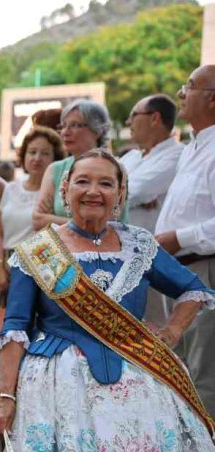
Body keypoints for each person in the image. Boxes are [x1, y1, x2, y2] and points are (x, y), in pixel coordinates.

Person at [0, 149, 215, 452]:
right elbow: (15, 328)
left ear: (120, 194)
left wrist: (171, 331)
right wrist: (6, 396)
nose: (93, 191)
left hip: (137, 379)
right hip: (52, 387)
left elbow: (193, 289)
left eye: (106, 183)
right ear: (65, 191)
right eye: (83, 181)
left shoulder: (139, 245)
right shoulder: (38, 251)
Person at [155, 64, 215, 416]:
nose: (180, 93)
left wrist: (179, 238)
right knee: (179, 371)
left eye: (189, 86)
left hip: (204, 272)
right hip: (179, 273)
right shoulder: (194, 147)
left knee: (204, 375)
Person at [0, 127, 65, 297]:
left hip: (43, 271)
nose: (37, 158)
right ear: (23, 155)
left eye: (45, 153)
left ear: (55, 159)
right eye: (32, 152)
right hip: (9, 269)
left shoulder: (59, 194)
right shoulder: (11, 189)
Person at [32, 99, 125, 230]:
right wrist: (83, 224)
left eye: (75, 125)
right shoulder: (56, 169)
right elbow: (38, 220)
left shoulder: (116, 169)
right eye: (63, 126)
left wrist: (52, 219)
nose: (65, 132)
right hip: (61, 244)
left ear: (97, 130)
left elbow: (102, 226)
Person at [121, 94, 183, 233]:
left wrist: (125, 195)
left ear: (155, 118)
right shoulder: (131, 156)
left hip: (151, 244)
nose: (128, 122)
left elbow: (137, 191)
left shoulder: (177, 155)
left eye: (134, 115)